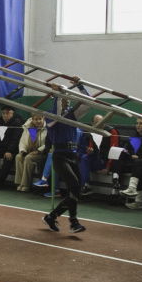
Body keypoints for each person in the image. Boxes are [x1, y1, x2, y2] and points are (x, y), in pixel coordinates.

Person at [42, 78, 92, 234]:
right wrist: (57, 94)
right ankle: (73, 222)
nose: (68, 102)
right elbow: (57, 116)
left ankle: (52, 216)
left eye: (69, 99)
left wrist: (80, 86)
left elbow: (88, 103)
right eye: (65, 99)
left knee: (75, 190)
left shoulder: (71, 115)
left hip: (73, 155)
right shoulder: (49, 116)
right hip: (60, 156)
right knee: (74, 185)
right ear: (57, 99)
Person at [0, 104, 24, 190]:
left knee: (8, 160)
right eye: (3, 113)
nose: (5, 115)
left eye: (7, 113)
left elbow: (16, 139)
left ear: (12, 113)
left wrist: (10, 150)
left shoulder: (17, 124)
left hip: (12, 150)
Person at [118, 117, 142, 209]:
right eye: (137, 123)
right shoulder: (133, 137)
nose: (138, 125)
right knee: (135, 168)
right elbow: (131, 151)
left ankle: (134, 192)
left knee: (138, 166)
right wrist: (130, 155)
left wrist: (139, 157)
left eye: (141, 123)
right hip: (138, 164)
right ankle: (137, 200)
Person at [78, 115, 120, 197]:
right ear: (92, 124)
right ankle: (85, 185)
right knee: (84, 158)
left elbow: (114, 150)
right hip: (97, 159)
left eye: (102, 122)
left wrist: (108, 166)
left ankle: (83, 187)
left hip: (106, 161)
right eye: (97, 123)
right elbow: (90, 149)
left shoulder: (112, 131)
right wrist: (90, 151)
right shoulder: (92, 132)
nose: (100, 124)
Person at [14, 113, 48, 192]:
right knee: (18, 157)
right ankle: (19, 183)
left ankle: (26, 184)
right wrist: (22, 150)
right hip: (28, 150)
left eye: (40, 119)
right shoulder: (28, 128)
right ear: (32, 120)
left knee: (29, 158)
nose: (38, 121)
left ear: (43, 119)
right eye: (36, 119)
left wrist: (39, 150)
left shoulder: (47, 128)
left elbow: (47, 143)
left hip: (41, 152)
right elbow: (22, 141)